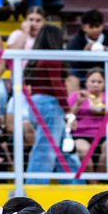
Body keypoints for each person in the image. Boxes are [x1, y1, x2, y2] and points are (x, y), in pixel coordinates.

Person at [24, 25, 76, 182]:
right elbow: (57, 85)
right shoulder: (51, 57)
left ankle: (73, 183)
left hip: (37, 103)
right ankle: (34, 186)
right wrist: (68, 111)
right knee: (45, 148)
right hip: (49, 105)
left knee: (63, 148)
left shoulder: (37, 58)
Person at [67, 68, 108, 175]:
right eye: (92, 81)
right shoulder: (76, 96)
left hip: (107, 134)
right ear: (86, 83)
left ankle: (100, 179)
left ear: (104, 84)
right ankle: (93, 182)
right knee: (82, 149)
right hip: (81, 134)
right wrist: (78, 104)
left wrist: (106, 114)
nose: (96, 84)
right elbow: (67, 119)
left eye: (99, 82)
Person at [65, 9, 108, 103]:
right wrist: (84, 53)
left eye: (97, 26)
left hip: (107, 75)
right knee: (72, 78)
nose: (95, 30)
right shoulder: (77, 41)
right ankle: (72, 112)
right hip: (84, 74)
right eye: (91, 26)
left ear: (102, 26)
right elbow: (72, 63)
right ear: (84, 27)